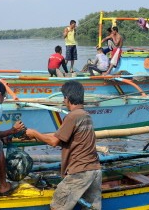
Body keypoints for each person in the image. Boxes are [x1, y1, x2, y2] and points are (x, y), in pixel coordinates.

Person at [26, 80, 102, 210]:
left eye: (64, 98)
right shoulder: (85, 115)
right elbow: (61, 137)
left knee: (57, 206)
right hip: (94, 169)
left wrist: (34, 133)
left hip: (80, 171)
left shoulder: (72, 116)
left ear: (67, 98)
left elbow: (54, 141)